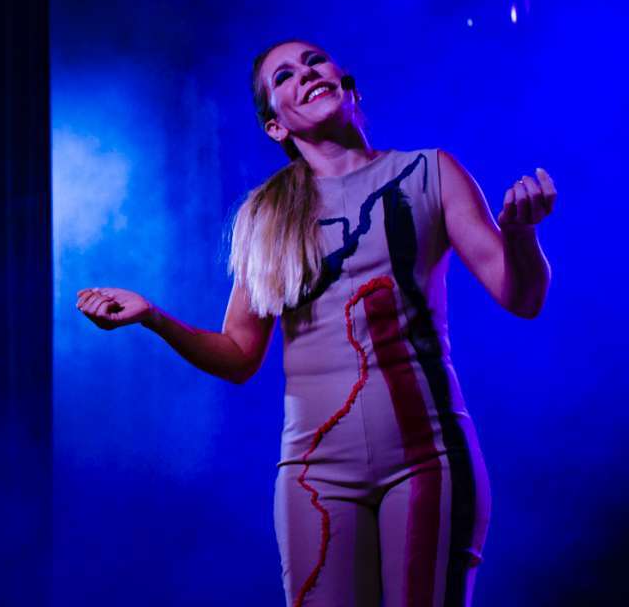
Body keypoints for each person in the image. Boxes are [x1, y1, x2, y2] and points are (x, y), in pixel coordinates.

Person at [75, 39, 555, 607]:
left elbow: (521, 297)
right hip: (314, 475)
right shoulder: (266, 216)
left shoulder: (430, 172)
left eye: (314, 62)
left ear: (346, 85)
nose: (305, 74)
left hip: (429, 457)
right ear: (275, 126)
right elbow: (239, 355)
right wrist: (154, 317)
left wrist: (521, 237)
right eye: (283, 77)